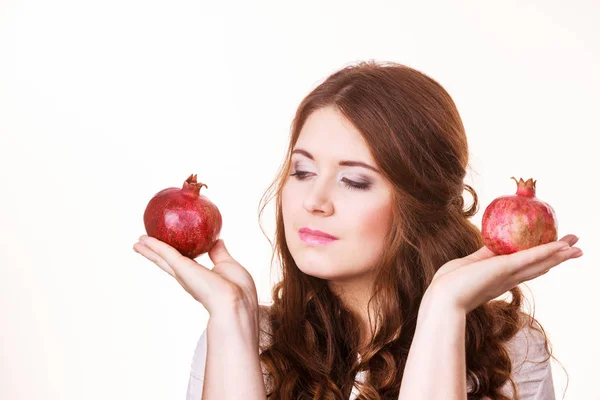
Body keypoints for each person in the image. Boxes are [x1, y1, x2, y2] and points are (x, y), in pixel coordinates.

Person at [133, 61, 583, 399]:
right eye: (303, 172)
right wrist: (230, 316)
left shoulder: (509, 349)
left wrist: (443, 311)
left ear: (421, 203)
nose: (315, 201)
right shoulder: (250, 339)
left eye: (354, 180)